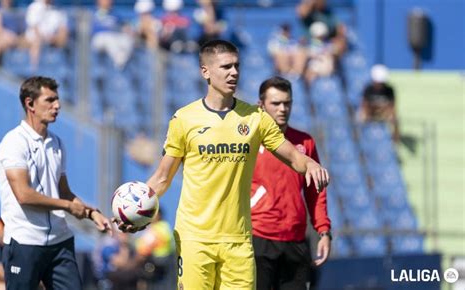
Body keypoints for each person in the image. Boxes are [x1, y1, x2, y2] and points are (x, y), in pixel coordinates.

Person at [116, 39, 330, 290]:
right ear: (205, 71)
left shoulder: (255, 117)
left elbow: (294, 156)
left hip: (238, 240)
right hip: (196, 238)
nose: (234, 73)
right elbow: (163, 177)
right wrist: (137, 210)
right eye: (226, 67)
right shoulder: (184, 119)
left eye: (237, 66)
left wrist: (311, 164)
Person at [0, 76, 112, 290]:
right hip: (24, 242)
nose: (57, 105)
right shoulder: (13, 143)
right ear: (30, 104)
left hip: (60, 242)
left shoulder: (57, 143)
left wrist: (90, 213)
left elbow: (64, 192)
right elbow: (24, 195)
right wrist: (68, 207)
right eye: (49, 100)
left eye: (57, 99)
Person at [251, 76, 331, 290]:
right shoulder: (249, 142)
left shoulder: (305, 142)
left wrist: (323, 230)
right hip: (258, 238)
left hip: (295, 240)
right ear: (261, 105)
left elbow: (316, 192)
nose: (282, 108)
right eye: (276, 103)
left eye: (287, 103)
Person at [358, 64, 399, 142]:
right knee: (362, 116)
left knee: (394, 117)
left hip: (383, 112)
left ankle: (395, 139)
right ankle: (360, 137)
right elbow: (364, 105)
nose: (380, 84)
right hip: (371, 111)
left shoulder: (389, 90)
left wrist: (381, 108)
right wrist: (374, 108)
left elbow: (392, 106)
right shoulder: (368, 89)